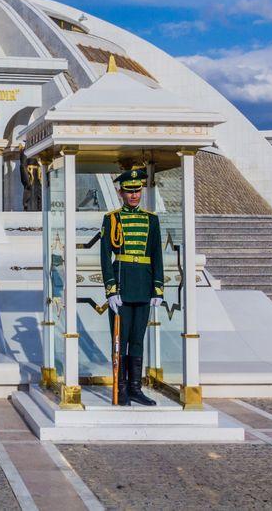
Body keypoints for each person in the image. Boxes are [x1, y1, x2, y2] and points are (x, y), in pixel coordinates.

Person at [99, 168, 164, 407]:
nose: (134, 195)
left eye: (137, 191)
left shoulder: (151, 219)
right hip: (123, 283)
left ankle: (136, 388)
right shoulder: (112, 219)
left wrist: (158, 288)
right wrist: (111, 289)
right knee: (121, 338)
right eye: (130, 191)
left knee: (137, 338)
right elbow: (106, 256)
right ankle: (122, 389)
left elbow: (157, 254)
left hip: (144, 285)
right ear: (120, 193)